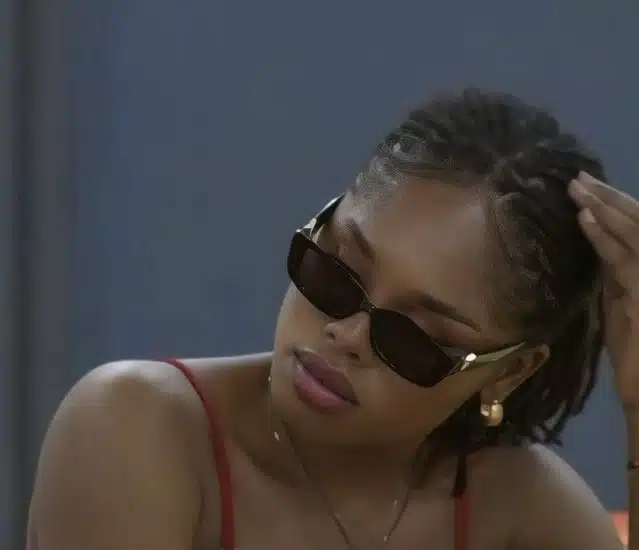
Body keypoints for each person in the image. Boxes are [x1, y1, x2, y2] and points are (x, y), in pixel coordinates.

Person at [27, 89, 639, 550]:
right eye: (336, 274)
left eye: (414, 338)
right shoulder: (139, 428)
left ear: (508, 372)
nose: (347, 336)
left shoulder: (525, 508)